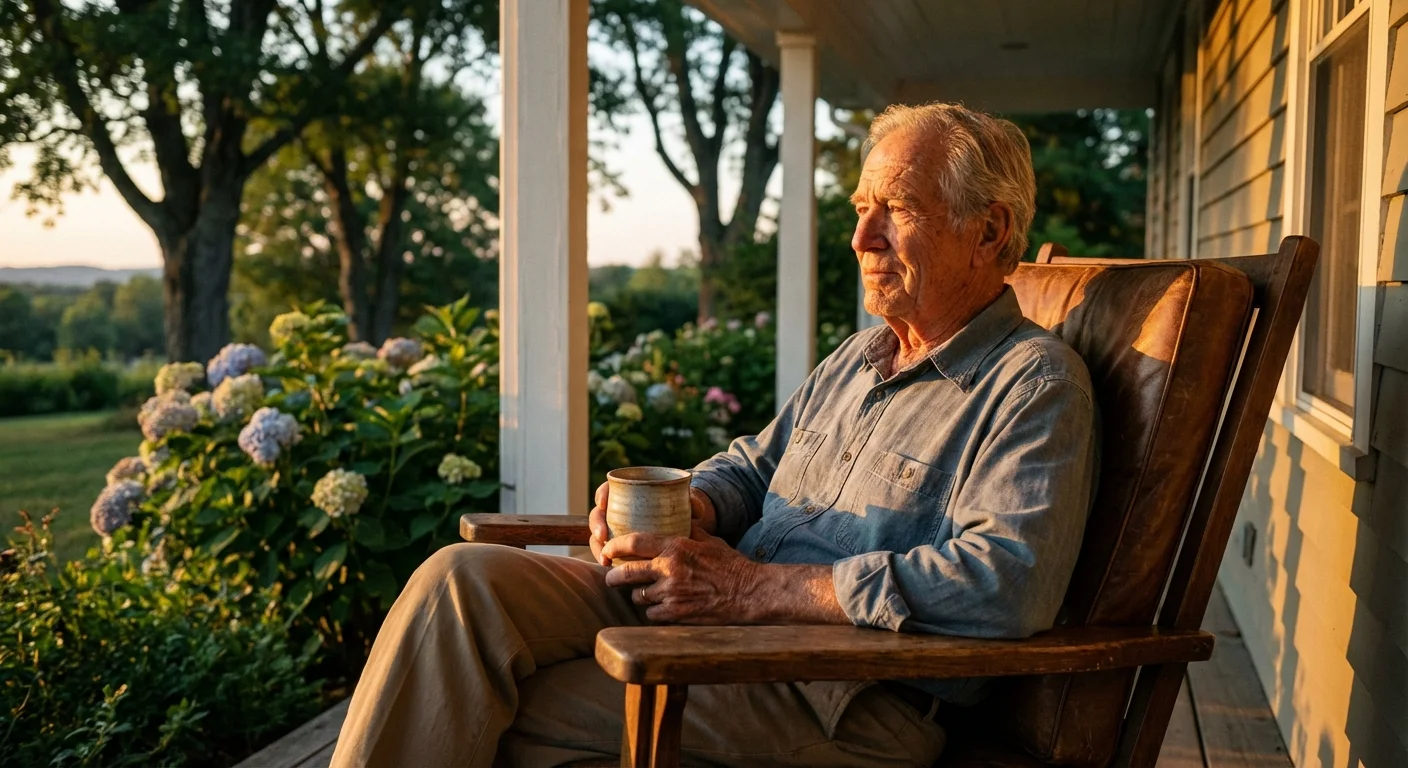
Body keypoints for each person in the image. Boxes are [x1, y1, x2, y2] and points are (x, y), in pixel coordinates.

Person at [330, 102, 1099, 768]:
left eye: (895, 209)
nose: (862, 237)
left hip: (842, 692)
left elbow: (1007, 582)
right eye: (860, 208)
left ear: (989, 231)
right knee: (460, 579)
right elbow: (751, 468)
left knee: (500, 704)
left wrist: (754, 589)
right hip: (715, 622)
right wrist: (688, 508)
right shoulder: (861, 358)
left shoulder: (1033, 384)